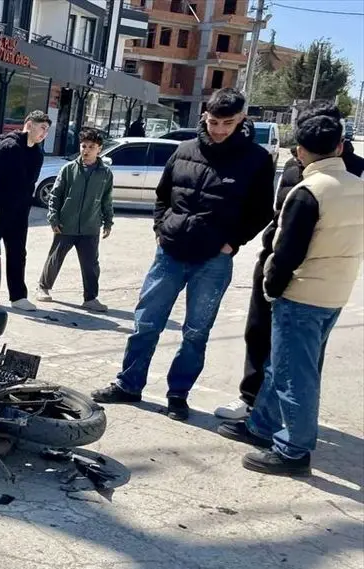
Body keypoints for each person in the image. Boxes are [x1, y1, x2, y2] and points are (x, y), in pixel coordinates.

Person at [91, 88, 275, 421]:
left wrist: (233, 242)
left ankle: (178, 394)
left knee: (195, 333)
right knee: (145, 323)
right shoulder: (185, 150)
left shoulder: (257, 160)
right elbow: (163, 195)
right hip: (169, 254)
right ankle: (129, 385)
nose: (219, 129)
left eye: (227, 123)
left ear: (242, 119)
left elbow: (262, 211)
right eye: (214, 121)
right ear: (204, 115)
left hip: (214, 261)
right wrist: (161, 230)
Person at [215, 104, 364, 476]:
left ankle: (293, 449)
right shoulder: (357, 186)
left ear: (299, 151)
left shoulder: (309, 191)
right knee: (282, 365)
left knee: (295, 374)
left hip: (302, 295)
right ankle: (262, 426)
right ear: (340, 146)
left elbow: (287, 253)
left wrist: (271, 287)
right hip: (335, 292)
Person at [37, 127, 114, 312]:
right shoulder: (68, 169)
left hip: (90, 226)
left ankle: (90, 298)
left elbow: (107, 199)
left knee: (91, 264)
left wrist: (108, 222)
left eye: (91, 147)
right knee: (55, 258)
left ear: (99, 149)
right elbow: (55, 196)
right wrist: (53, 218)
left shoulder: (105, 173)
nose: (86, 150)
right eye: (83, 146)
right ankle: (43, 287)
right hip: (66, 224)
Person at [0, 111, 52, 311]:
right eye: (42, 128)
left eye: (47, 130)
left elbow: (30, 185)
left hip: (19, 213)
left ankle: (18, 297)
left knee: (18, 254)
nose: (44, 133)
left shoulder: (37, 153)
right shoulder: (7, 147)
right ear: (29, 125)